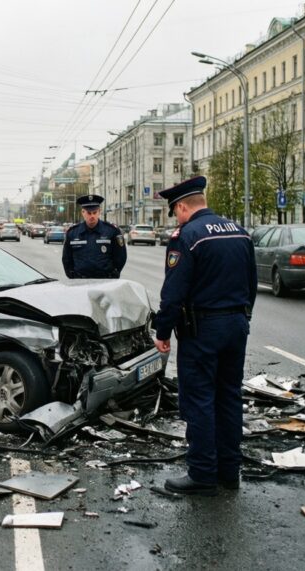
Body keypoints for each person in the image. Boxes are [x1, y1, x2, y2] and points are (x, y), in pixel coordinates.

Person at [152, 175, 257, 496]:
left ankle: (202, 475)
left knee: (199, 400)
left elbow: (174, 292)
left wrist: (163, 330)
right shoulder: (239, 232)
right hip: (236, 326)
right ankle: (229, 472)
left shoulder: (188, 236)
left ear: (182, 206)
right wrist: (243, 318)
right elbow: (251, 284)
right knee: (229, 397)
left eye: (176, 212)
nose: (177, 218)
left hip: (202, 330)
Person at [61, 194, 127, 279]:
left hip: (105, 281)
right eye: (89, 213)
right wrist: (73, 275)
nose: (92, 216)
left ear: (99, 212)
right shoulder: (72, 233)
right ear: (83, 213)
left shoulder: (112, 231)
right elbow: (67, 259)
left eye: (94, 212)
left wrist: (113, 274)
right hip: (80, 281)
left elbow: (120, 257)